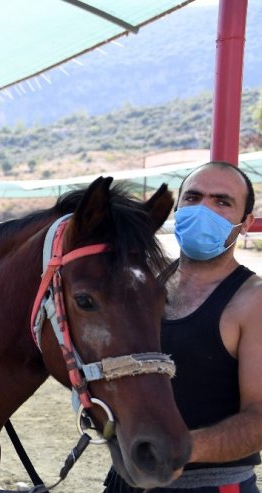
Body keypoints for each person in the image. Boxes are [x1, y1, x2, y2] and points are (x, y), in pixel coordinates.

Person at [103, 161, 262, 493]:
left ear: (245, 223)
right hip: (124, 480)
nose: (204, 209)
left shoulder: (253, 302)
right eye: (193, 197)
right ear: (177, 209)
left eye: (222, 201)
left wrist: (181, 449)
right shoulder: (144, 285)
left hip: (208, 487)